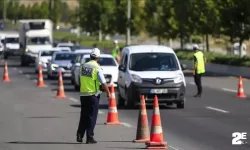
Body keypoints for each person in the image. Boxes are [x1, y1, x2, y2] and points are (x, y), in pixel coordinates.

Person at [76, 48, 111, 144]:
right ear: (98, 57)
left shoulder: (83, 66)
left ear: (90, 56)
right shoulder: (96, 67)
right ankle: (89, 137)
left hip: (83, 95)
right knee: (92, 116)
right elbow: (103, 83)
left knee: (83, 115)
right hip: (93, 95)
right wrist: (108, 92)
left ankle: (79, 134)